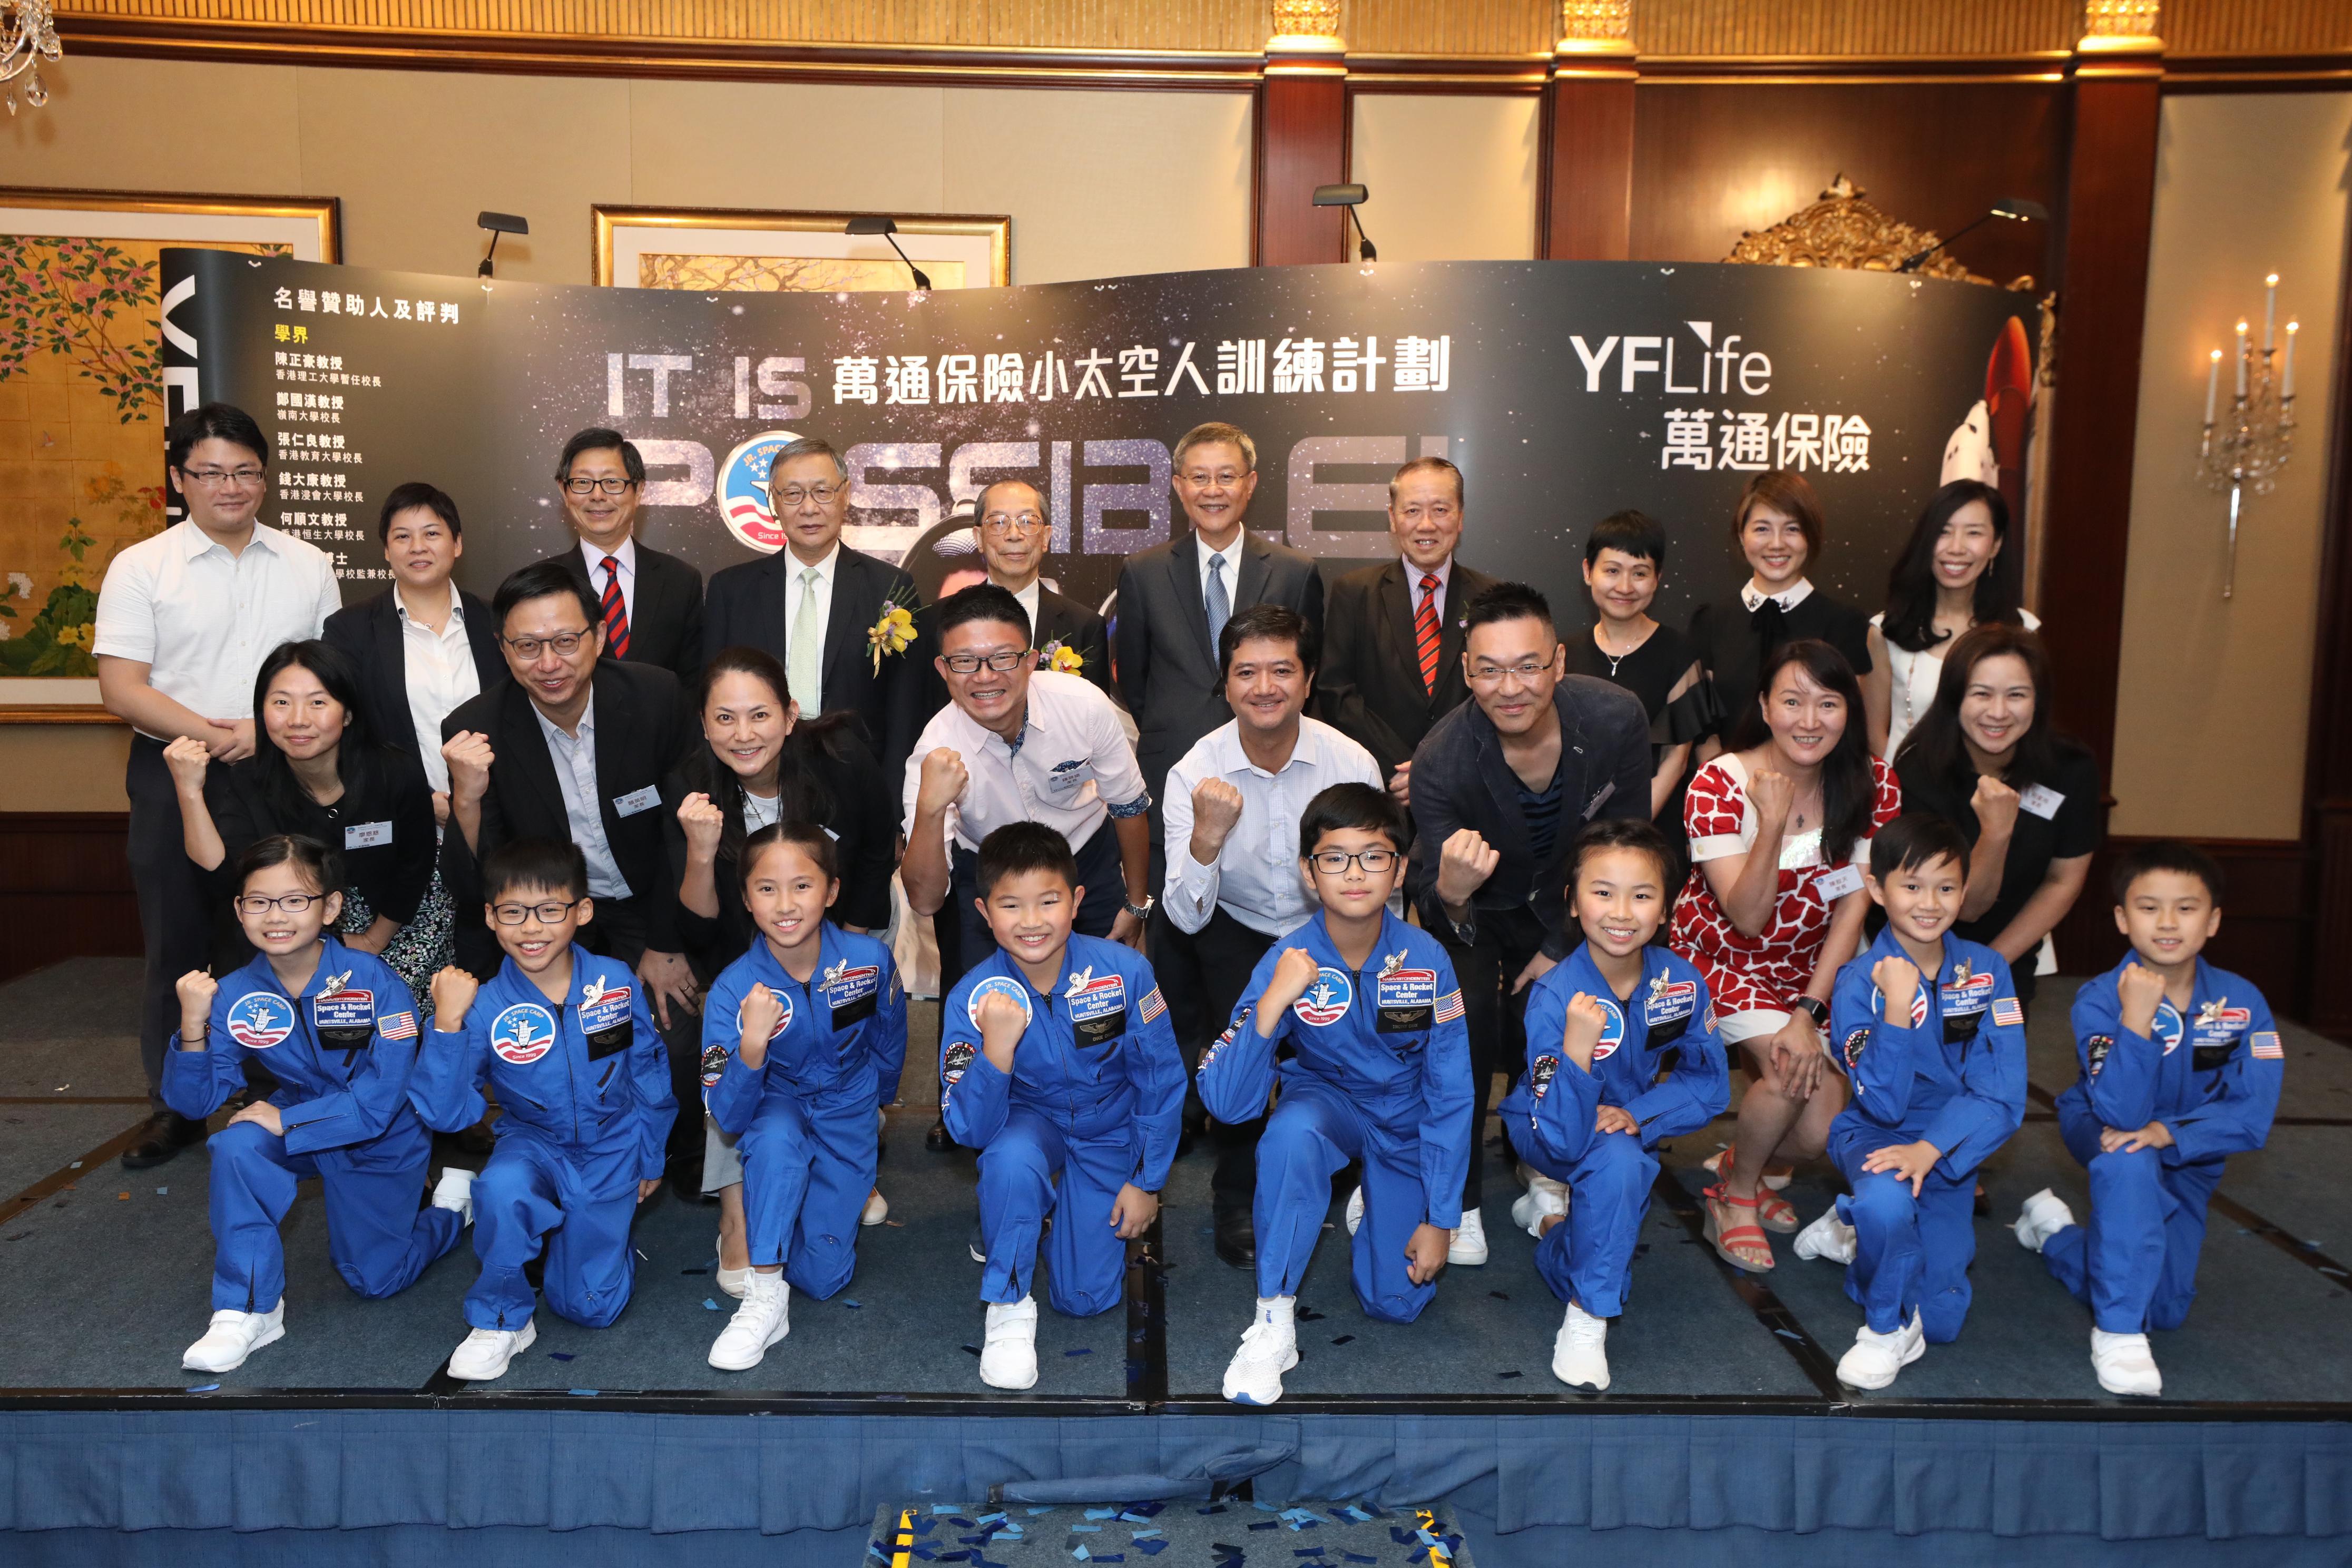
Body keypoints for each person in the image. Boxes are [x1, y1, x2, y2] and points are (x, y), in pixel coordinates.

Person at [94, 401, 344, 1169]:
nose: (229, 487)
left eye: (245, 472)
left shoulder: (306, 563)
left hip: (279, 772)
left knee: (278, 932)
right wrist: (214, 732)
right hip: (174, 769)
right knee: (178, 933)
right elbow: (121, 687)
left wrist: (260, 736)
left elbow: (331, 675)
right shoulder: (143, 566)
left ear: (265, 479)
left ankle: (278, 1088)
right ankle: (177, 1102)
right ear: (180, 479)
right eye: (210, 472)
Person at [1403, 582, 1650, 1266]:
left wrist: (1561, 944)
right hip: (1477, 911)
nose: (1509, 687)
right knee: (1468, 1021)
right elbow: (1435, 896)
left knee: (1566, 1017)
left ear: (1560, 663)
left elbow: (1628, 846)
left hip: (1575, 909)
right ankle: (1459, 1201)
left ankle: (1549, 1167)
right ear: (1467, 671)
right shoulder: (1442, 759)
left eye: (1528, 666)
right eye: (1489, 669)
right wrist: (1451, 895)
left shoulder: (1615, 718)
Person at [1201, 783, 1472, 1405]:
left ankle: (1375, 1203)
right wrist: (1273, 1004)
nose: (1355, 874)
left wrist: (1440, 1219)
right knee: (1290, 1135)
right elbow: (1226, 1102)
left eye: (1374, 857)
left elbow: (1453, 1094)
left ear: (1400, 869)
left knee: (1397, 1304)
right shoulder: (1286, 958)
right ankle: (1273, 1320)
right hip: (1327, 1107)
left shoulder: (1429, 961)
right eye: (1334, 858)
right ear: (1308, 872)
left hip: (1405, 1122)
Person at [438, 562, 701, 1190]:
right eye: (527, 646)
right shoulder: (474, 728)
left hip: (649, 901)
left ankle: (677, 1154)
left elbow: (681, 836)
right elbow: (475, 884)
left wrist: (665, 943)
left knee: (677, 1027)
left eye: (565, 641)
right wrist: (467, 800)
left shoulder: (657, 696)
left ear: (599, 636)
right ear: (503, 649)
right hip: (551, 915)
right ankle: (557, 1155)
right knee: (555, 1042)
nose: (548, 662)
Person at [168, 834, 468, 1374]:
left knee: (376, 1279)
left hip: (381, 1137)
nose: (275, 916)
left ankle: (451, 1210)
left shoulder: (377, 982)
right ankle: (246, 1310)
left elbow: (381, 1102)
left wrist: (286, 1119)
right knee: (237, 1147)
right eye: (259, 901)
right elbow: (197, 1102)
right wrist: (192, 1027)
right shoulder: (235, 993)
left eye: (295, 900)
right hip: (300, 1124)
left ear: (330, 907)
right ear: (239, 910)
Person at [2014, 842, 2283, 1397]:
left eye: (2186, 908)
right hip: (2102, 1125)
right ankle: (2116, 1333)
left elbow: (2253, 1116)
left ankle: (2058, 1235)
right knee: (2128, 1160)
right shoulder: (2098, 998)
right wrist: (2135, 1020)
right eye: (2148, 906)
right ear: (2121, 918)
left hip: (2192, 1150)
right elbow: (2119, 1113)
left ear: (2212, 922)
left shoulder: (2243, 1001)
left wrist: (2172, 1133)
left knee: (2164, 1307)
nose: (2167, 922)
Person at [668, 646, 898, 1288]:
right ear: (705, 724)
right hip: (742, 945)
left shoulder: (840, 760)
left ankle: (849, 1158)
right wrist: (701, 849)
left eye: (760, 715)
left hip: (845, 923)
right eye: (726, 719)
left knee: (849, 1039)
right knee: (731, 1055)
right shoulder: (690, 785)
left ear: (791, 715)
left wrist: (849, 942)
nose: (744, 735)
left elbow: (879, 847)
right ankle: (735, 1213)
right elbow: (700, 927)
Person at [1160, 604, 1381, 1267]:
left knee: (1346, 1046)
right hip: (1237, 925)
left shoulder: (1351, 762)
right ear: (1226, 686)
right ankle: (1237, 1195)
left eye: (1282, 670)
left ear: (1308, 679)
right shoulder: (1194, 771)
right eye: (1247, 672)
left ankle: (1338, 1171)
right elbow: (1185, 916)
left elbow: (1379, 880)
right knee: (1242, 1054)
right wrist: (1206, 838)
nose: (1265, 687)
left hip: (1333, 925)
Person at [410, 839, 677, 1381]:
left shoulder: (616, 982)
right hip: (535, 1144)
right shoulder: (481, 1006)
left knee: (591, 1309)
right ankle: (501, 1316)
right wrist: (445, 1027)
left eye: (550, 910)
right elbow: (444, 1113)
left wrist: (650, 1155)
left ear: (582, 911)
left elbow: (647, 1071)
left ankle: (587, 1236)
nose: (531, 929)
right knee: (502, 1190)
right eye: (513, 913)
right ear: (490, 917)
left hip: (612, 1145)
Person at [1671, 639, 1898, 1272]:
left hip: (1815, 966)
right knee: (1787, 1069)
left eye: (1828, 704)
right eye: (1792, 701)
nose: (1809, 720)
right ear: (1766, 707)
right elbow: (1745, 917)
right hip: (1724, 960)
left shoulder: (1874, 781)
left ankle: (1752, 1159)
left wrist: (1809, 1009)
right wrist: (1769, 822)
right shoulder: (1719, 783)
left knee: (1824, 1129)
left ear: (1848, 711)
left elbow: (1854, 906)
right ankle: (1736, 1195)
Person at [938, 822, 1183, 1391]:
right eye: (1011, 906)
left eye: (1048, 901)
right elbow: (969, 1129)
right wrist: (996, 1053)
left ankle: (1043, 1218)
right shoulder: (972, 997)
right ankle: (1008, 1304)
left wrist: (1147, 1181)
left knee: (1085, 1300)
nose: (1031, 922)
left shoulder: (1126, 972)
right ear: (984, 911)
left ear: (1075, 902)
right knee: (1009, 1162)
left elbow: (1161, 1080)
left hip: (1109, 1129)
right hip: (1031, 1124)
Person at [1499, 817, 1728, 1390]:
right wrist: (1577, 1055)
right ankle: (1587, 1318)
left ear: (1667, 910)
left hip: (1624, 1122)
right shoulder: (1553, 996)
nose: (1622, 912)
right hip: (1546, 1125)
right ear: (1573, 903)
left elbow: (1710, 1086)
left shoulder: (1679, 981)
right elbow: (1561, 1138)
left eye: (1642, 895)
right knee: (1620, 1165)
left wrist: (1642, 1113)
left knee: (1618, 1172)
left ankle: (1551, 1222)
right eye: (1603, 892)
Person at [1799, 814, 2026, 1390]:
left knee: (1944, 1320)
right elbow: (1881, 1099)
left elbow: (2002, 1094)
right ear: (1877, 890)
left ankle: (1852, 1240)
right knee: (1886, 1204)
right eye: (1911, 885)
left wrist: (1932, 1149)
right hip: (1875, 1133)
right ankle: (1883, 1325)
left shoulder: (1988, 970)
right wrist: (1896, 1010)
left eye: (1946, 887)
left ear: (1964, 891)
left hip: (1949, 1145)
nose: (1930, 903)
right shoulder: (1856, 981)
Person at [698, 824, 907, 1371]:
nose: (785, 905)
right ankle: (766, 1296)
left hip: (847, 1105)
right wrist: (751, 1046)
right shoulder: (732, 990)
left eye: (802, 886)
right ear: (746, 899)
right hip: (776, 1101)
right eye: (766, 889)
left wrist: (876, 1106)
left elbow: (889, 1035)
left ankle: (799, 1207)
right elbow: (727, 1113)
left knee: (821, 1278)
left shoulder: (869, 961)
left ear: (832, 891)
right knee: (773, 1142)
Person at [163, 641, 446, 994]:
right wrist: (189, 792)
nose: (298, 720)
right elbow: (224, 880)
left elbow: (414, 865)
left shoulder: (394, 772)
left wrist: (374, 941)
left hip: (393, 925)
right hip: (288, 931)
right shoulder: (249, 779)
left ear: (347, 713)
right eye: (281, 702)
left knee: (395, 1025)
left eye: (318, 702)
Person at [903, 584, 1154, 982]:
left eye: (1003, 658)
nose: (985, 678)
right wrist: (930, 810)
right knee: (980, 1005)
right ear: (943, 669)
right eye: (965, 661)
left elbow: (1128, 806)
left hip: (1086, 858)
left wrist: (1136, 904)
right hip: (987, 874)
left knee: (1108, 997)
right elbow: (925, 900)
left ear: (1031, 661)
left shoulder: (1083, 705)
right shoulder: (934, 751)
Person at [1114, 422, 1324, 848]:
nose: (1213, 490)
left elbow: (1308, 677)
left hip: (1270, 763)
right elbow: (1134, 681)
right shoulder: (1143, 572)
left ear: (1250, 484)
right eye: (1199, 477)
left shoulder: (1294, 572)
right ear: (1178, 485)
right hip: (1174, 764)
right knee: (1175, 899)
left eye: (1227, 476)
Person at [1890, 624, 2098, 1006]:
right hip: (1916, 951)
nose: (1999, 713)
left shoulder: (2071, 769)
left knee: (1996, 1061)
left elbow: (2062, 881)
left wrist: (1992, 967)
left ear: (2038, 700)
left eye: (2016, 695)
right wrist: (1997, 832)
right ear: (1955, 698)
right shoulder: (1919, 772)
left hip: (2009, 952)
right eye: (1981, 694)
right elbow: (1967, 908)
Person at [703, 436, 927, 783]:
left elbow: (905, 709)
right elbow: (711, 698)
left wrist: (895, 810)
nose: (808, 508)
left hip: (858, 780)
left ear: (846, 494)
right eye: (792, 494)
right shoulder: (730, 590)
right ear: (773, 502)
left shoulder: (891, 587)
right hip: (756, 778)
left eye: (822, 491)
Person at [1313, 456, 1496, 805]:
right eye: (1412, 511)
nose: (1426, 525)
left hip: (1467, 793)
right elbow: (1336, 695)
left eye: (1440, 510)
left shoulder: (1492, 598)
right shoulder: (1354, 592)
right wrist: (1401, 767)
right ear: (1393, 519)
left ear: (1460, 518)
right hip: (1380, 792)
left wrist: (1437, 767)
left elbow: (1498, 694)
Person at [321, 482, 505, 800]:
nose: (417, 547)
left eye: (432, 534)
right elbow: (346, 733)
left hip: (498, 813)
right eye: (402, 536)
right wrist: (419, 800)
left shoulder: (499, 622)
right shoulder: (349, 630)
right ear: (387, 550)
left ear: (457, 543)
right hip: (399, 814)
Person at [1687, 470, 1872, 757]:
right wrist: (1730, 792)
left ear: (1811, 536)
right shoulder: (1711, 621)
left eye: (1792, 529)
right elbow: (1704, 733)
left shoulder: (1844, 625)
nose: (1776, 544)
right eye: (1762, 529)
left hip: (1816, 793)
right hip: (1728, 791)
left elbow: (1850, 729)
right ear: (1741, 535)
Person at [1864, 479, 2036, 762]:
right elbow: (1874, 735)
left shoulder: (2024, 631)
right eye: (1943, 532)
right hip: (1908, 795)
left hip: (1989, 794)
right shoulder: (1886, 632)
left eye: (1973, 533)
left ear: (1996, 545)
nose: (1956, 548)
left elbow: (2031, 732)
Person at [1562, 510, 1716, 822]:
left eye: (1640, 573)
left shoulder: (1682, 653)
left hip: (1651, 829)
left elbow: (1676, 757)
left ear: (1658, 578)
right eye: (1613, 570)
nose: (1625, 586)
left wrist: (1628, 831)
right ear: (1588, 571)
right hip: (1571, 829)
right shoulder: (1564, 654)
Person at [541, 428, 705, 686]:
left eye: (612, 482)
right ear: (564, 492)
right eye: (583, 482)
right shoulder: (540, 584)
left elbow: (692, 683)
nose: (597, 495)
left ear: (638, 491)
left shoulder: (681, 581)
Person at [976, 478, 1112, 694]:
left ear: (1045, 538)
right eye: (999, 522)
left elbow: (1094, 718)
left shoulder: (1084, 626)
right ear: (979, 538)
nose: (1014, 534)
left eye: (1028, 522)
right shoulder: (939, 621)